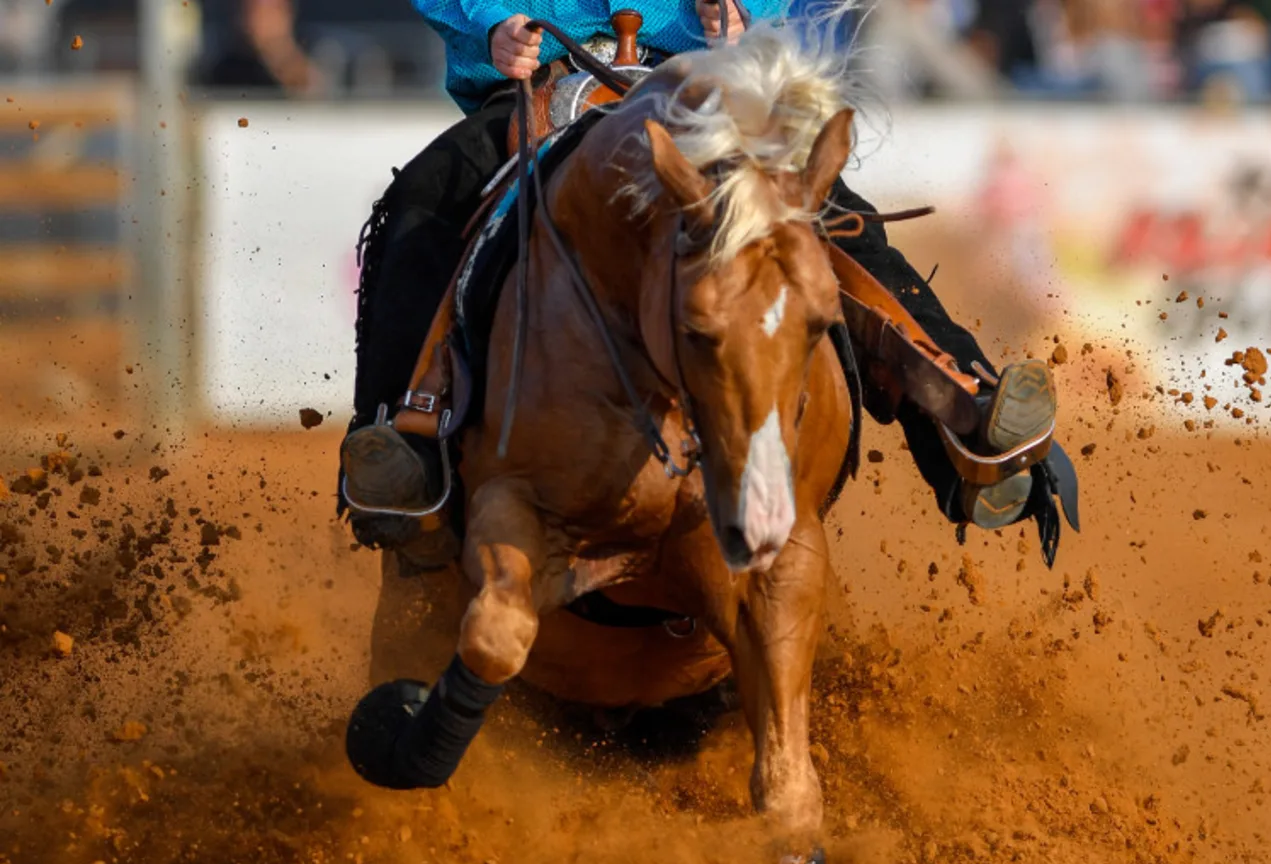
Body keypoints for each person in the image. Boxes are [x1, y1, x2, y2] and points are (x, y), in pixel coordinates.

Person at [339, 0, 1066, 570]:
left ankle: (962, 412)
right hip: (544, 86)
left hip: (701, 89)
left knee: (841, 224)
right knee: (422, 208)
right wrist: (492, 18)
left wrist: (741, 7)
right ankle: (401, 442)